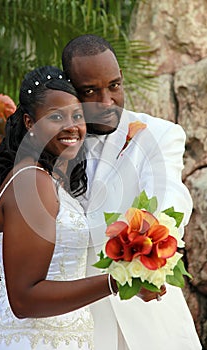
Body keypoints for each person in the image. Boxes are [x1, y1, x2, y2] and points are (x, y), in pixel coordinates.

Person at [62, 34, 202, 350]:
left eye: (114, 85)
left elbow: (170, 196)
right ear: (70, 91)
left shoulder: (160, 134)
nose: (108, 100)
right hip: (78, 324)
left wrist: (151, 252)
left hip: (148, 322)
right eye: (90, 91)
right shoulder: (54, 143)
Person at [0, 65, 127, 350]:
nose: (72, 126)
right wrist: (117, 282)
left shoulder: (48, 180)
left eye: (77, 115)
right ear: (31, 123)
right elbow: (24, 298)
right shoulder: (31, 181)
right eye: (56, 117)